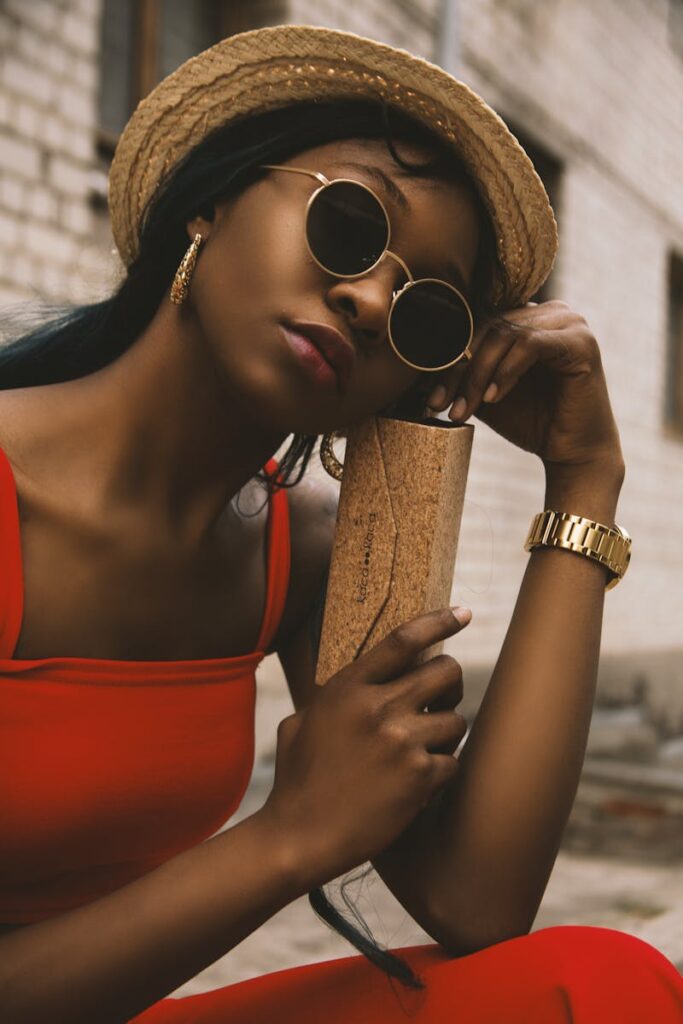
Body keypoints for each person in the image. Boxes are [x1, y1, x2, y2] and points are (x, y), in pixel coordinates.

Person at [0, 22, 680, 1024]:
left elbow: (474, 901)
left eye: (425, 311)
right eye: (351, 225)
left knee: (599, 986)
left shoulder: (299, 555)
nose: (366, 298)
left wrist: (583, 481)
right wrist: (286, 838)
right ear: (210, 202)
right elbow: (301, 835)